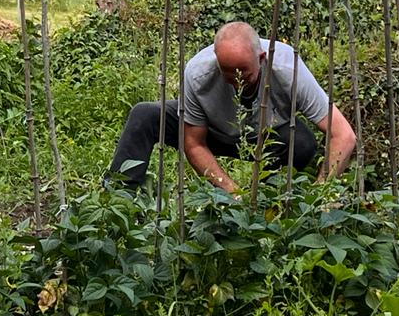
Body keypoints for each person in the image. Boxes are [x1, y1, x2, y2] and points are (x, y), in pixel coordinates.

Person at [105, 20, 356, 193]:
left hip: (265, 137)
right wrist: (233, 192)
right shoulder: (197, 73)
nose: (235, 82)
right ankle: (119, 200)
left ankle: (268, 198)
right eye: (227, 73)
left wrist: (322, 191)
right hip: (211, 129)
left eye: (243, 74)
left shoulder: (287, 68)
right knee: (145, 115)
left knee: (301, 141)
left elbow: (343, 135)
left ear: (261, 59)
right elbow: (194, 143)